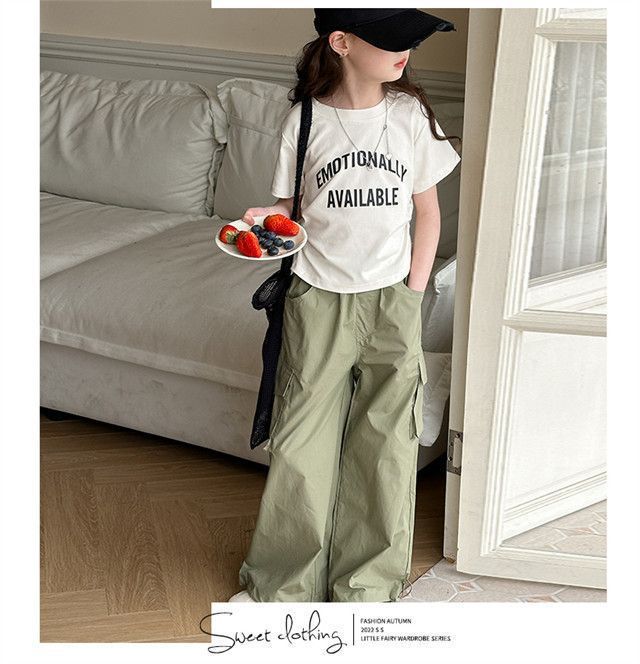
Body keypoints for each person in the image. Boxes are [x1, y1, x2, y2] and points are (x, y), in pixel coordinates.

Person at [230, 9, 462, 603]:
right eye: (391, 40)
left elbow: (428, 213)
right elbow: (290, 211)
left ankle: (367, 586)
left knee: (386, 444)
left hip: (393, 300)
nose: (406, 52)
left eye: (409, 41)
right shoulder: (304, 121)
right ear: (341, 42)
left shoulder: (410, 116)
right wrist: (263, 220)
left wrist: (413, 292)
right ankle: (283, 586)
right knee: (301, 441)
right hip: (316, 296)